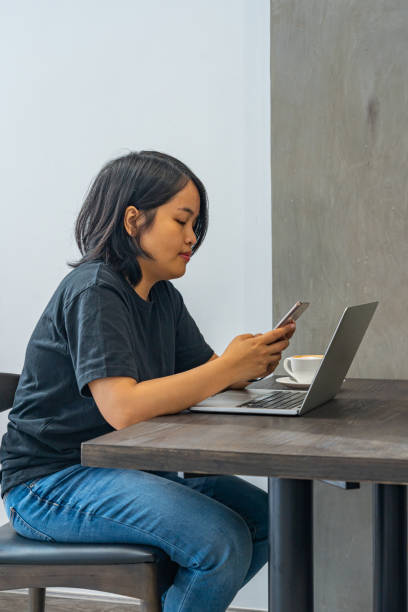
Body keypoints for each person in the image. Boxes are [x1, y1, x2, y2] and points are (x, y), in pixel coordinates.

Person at [0, 150, 295, 611]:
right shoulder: (95, 290)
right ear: (133, 220)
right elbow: (123, 407)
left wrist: (250, 363)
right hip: (50, 482)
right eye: (182, 221)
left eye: (196, 225)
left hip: (122, 468)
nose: (192, 237)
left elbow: (207, 376)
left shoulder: (163, 298)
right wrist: (225, 369)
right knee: (220, 540)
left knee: (269, 519)